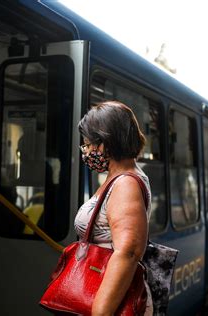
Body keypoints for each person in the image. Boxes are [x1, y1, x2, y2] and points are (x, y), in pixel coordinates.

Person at [75, 100, 153, 315]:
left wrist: (100, 312)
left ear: (106, 142)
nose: (86, 150)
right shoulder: (117, 177)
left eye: (88, 143)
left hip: (112, 305)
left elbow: (127, 252)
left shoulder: (126, 184)